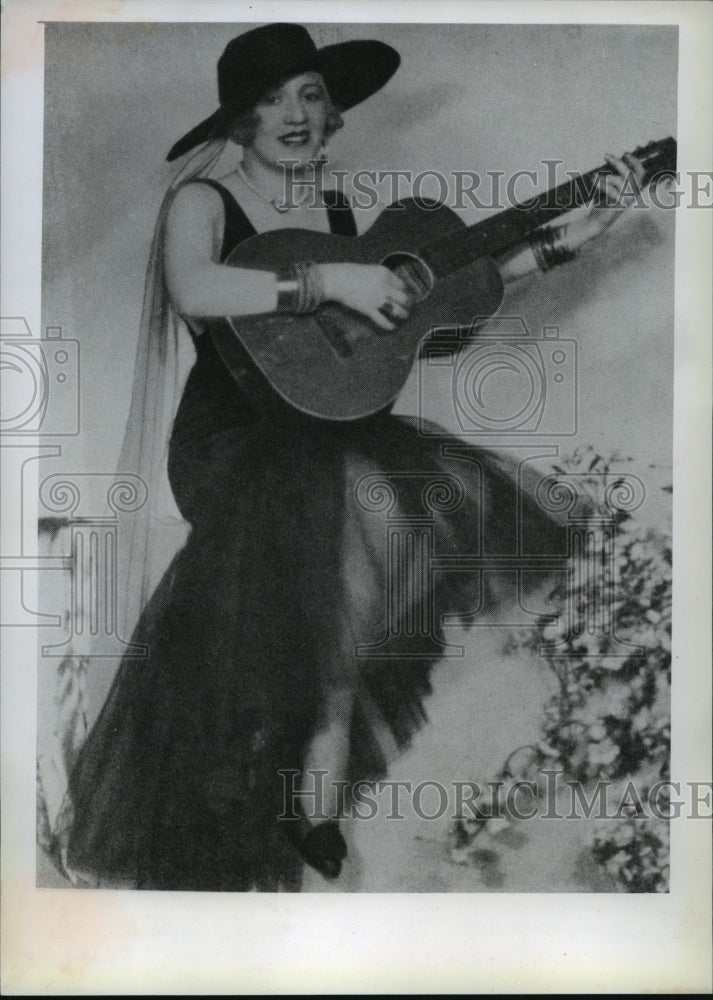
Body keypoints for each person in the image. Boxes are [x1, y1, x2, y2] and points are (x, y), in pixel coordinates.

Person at [64, 23, 644, 891]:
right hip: (237, 439)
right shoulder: (205, 203)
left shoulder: (340, 214)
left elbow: (429, 315)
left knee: (372, 558)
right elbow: (197, 287)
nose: (296, 114)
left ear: (330, 111)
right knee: (355, 529)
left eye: (310, 94)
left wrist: (561, 245)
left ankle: (312, 782)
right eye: (271, 100)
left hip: (332, 426)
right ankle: (280, 756)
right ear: (240, 120)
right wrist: (331, 282)